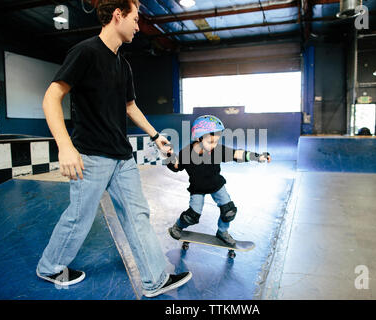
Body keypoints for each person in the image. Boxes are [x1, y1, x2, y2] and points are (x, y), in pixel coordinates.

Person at [36, 0, 191, 298]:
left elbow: (129, 106)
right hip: (91, 156)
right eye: (135, 18)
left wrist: (155, 134)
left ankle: (155, 279)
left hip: (122, 157)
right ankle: (49, 266)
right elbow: (51, 98)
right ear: (117, 15)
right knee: (79, 218)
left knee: (137, 214)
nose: (138, 25)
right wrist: (65, 147)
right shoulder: (85, 52)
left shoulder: (123, 64)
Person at [166, 115, 271, 246]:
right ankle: (178, 226)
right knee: (192, 215)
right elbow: (176, 167)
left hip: (216, 185)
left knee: (229, 211)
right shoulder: (186, 153)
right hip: (197, 188)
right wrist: (169, 156)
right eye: (210, 142)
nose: (213, 145)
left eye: (216, 141)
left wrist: (257, 157)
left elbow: (237, 154)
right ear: (198, 138)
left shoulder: (217, 150)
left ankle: (222, 232)